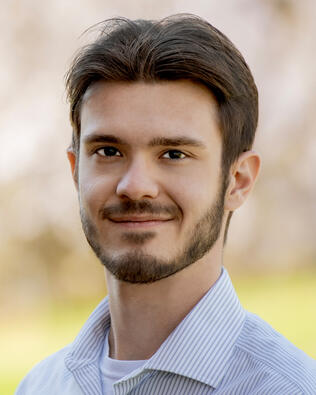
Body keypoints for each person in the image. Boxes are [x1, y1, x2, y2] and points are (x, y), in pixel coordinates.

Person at [16, 14, 316, 395]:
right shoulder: (39, 386)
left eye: (174, 154)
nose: (135, 186)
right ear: (75, 170)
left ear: (238, 181)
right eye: (108, 151)